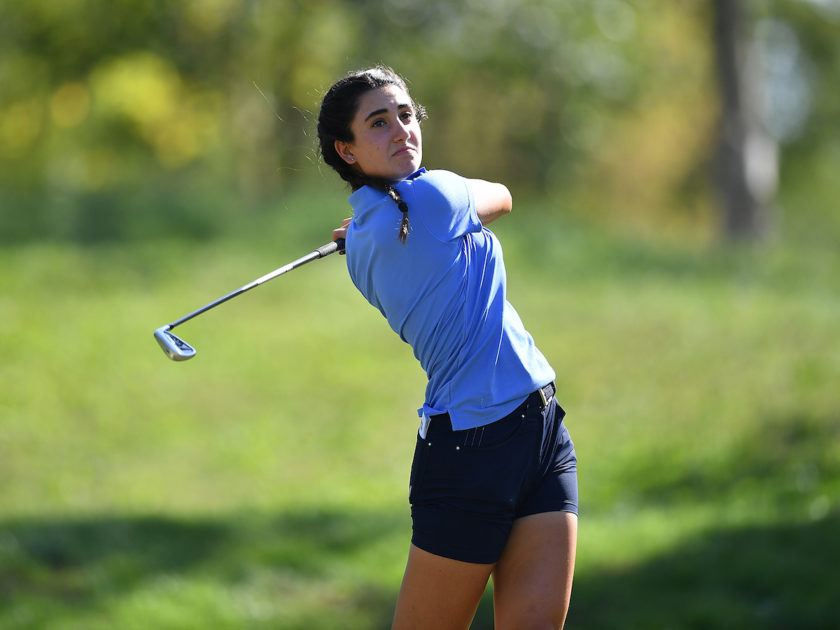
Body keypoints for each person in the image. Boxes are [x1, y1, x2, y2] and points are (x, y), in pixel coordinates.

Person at [318, 66, 578, 630]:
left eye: (407, 116)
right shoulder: (431, 200)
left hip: (540, 427)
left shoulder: (364, 236)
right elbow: (503, 196)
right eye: (379, 123)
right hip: (472, 449)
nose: (401, 131)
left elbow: (396, 225)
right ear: (347, 149)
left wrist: (362, 224)